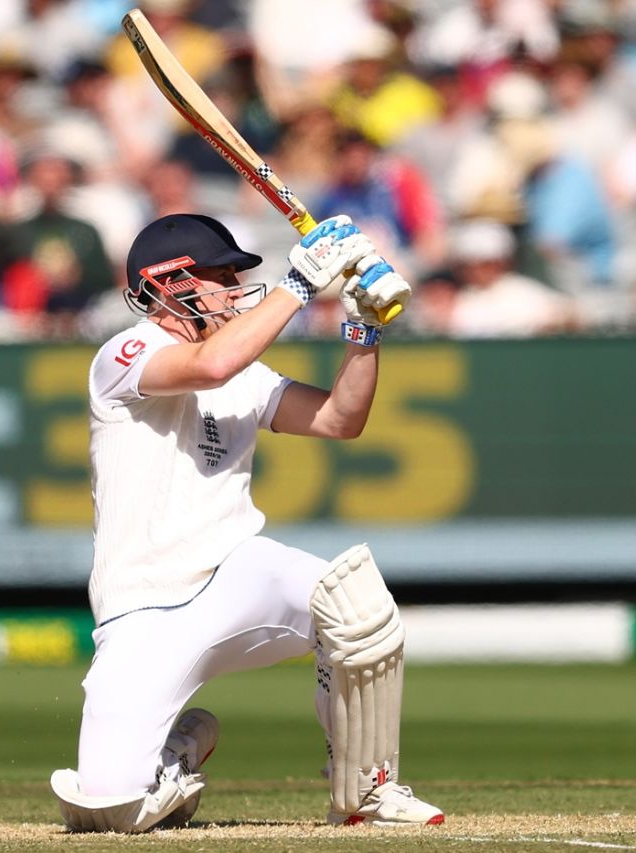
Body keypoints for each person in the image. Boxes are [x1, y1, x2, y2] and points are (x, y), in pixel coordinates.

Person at [48, 212, 443, 832]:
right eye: (223, 277)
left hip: (235, 569)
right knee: (109, 810)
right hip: (144, 605)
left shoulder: (244, 373)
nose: (236, 289)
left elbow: (340, 418)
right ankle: (171, 755)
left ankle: (368, 790)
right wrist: (301, 285)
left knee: (356, 608)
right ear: (171, 283)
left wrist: (363, 332)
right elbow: (209, 367)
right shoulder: (125, 354)